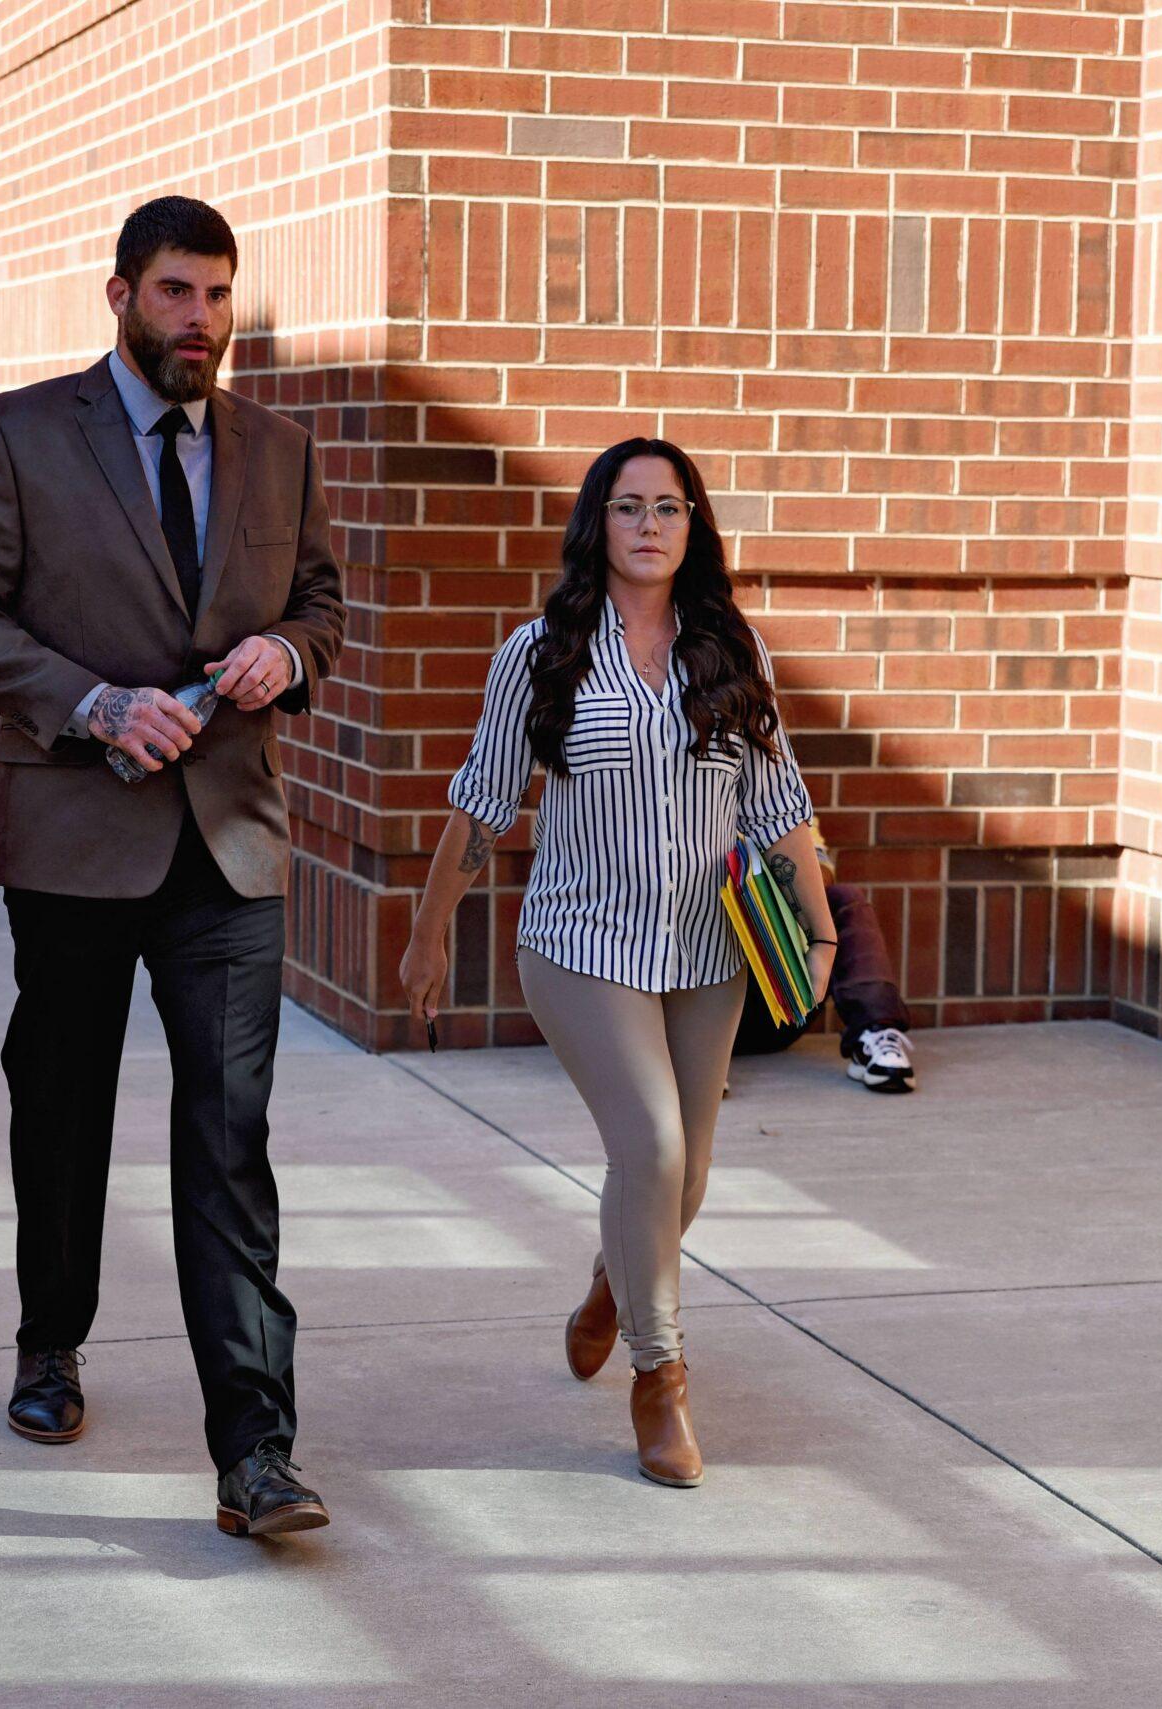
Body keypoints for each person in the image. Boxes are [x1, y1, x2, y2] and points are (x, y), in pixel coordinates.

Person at [0, 195, 346, 1538]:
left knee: (229, 1140)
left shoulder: (278, 447)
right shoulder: (20, 433)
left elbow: (321, 599)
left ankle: (256, 1453)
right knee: (63, 1104)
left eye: (217, 295)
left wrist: (292, 653)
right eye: (175, 293)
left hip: (230, 843)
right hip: (76, 836)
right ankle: (51, 1343)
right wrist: (93, 703)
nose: (200, 321)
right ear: (119, 297)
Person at [398, 438, 831, 1490]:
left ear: (694, 527)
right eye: (629, 505)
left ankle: (614, 1283)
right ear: (597, 521)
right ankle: (660, 1376)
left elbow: (779, 806)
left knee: (680, 1174)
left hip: (708, 945)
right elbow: (485, 799)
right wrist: (427, 928)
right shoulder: (541, 651)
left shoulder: (731, 649)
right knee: (650, 1138)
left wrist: (820, 936)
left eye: (669, 507)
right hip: (582, 941)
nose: (649, 525)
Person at [730, 821, 917, 1093]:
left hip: (781, 1007)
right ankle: (694, 1062)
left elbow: (821, 871)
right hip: (698, 1015)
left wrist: (770, 894)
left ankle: (876, 1030)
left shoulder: (776, 791)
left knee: (843, 899)